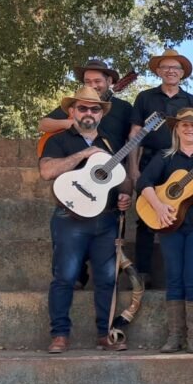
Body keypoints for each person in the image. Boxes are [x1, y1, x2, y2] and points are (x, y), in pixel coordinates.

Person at [38, 87, 131, 353]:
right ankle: (59, 335)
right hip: (70, 219)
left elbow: (123, 177)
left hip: (106, 219)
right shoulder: (58, 140)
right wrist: (83, 155)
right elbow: (46, 171)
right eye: (83, 108)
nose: (89, 113)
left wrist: (125, 194)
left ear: (101, 114)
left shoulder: (110, 143)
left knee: (107, 279)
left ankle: (105, 334)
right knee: (65, 278)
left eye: (95, 109)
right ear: (72, 112)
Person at [136, 108, 193, 354]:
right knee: (174, 277)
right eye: (184, 125)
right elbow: (143, 182)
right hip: (169, 222)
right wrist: (158, 206)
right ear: (176, 129)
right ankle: (175, 336)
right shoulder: (165, 156)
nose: (190, 129)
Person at [38, 59, 134, 290]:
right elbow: (44, 124)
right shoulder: (78, 106)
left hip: (110, 174)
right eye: (88, 81)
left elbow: (132, 138)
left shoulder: (124, 108)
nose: (93, 85)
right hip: (78, 177)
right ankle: (77, 277)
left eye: (97, 81)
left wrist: (130, 174)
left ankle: (108, 279)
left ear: (110, 81)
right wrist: (76, 121)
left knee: (111, 228)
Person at [127, 49, 193, 288]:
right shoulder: (145, 97)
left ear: (182, 73)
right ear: (159, 71)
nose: (171, 71)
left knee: (183, 211)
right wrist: (133, 168)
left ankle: (182, 275)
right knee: (145, 215)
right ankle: (143, 272)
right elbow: (135, 134)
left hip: (181, 162)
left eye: (175, 68)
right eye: (166, 67)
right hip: (150, 160)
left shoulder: (192, 101)